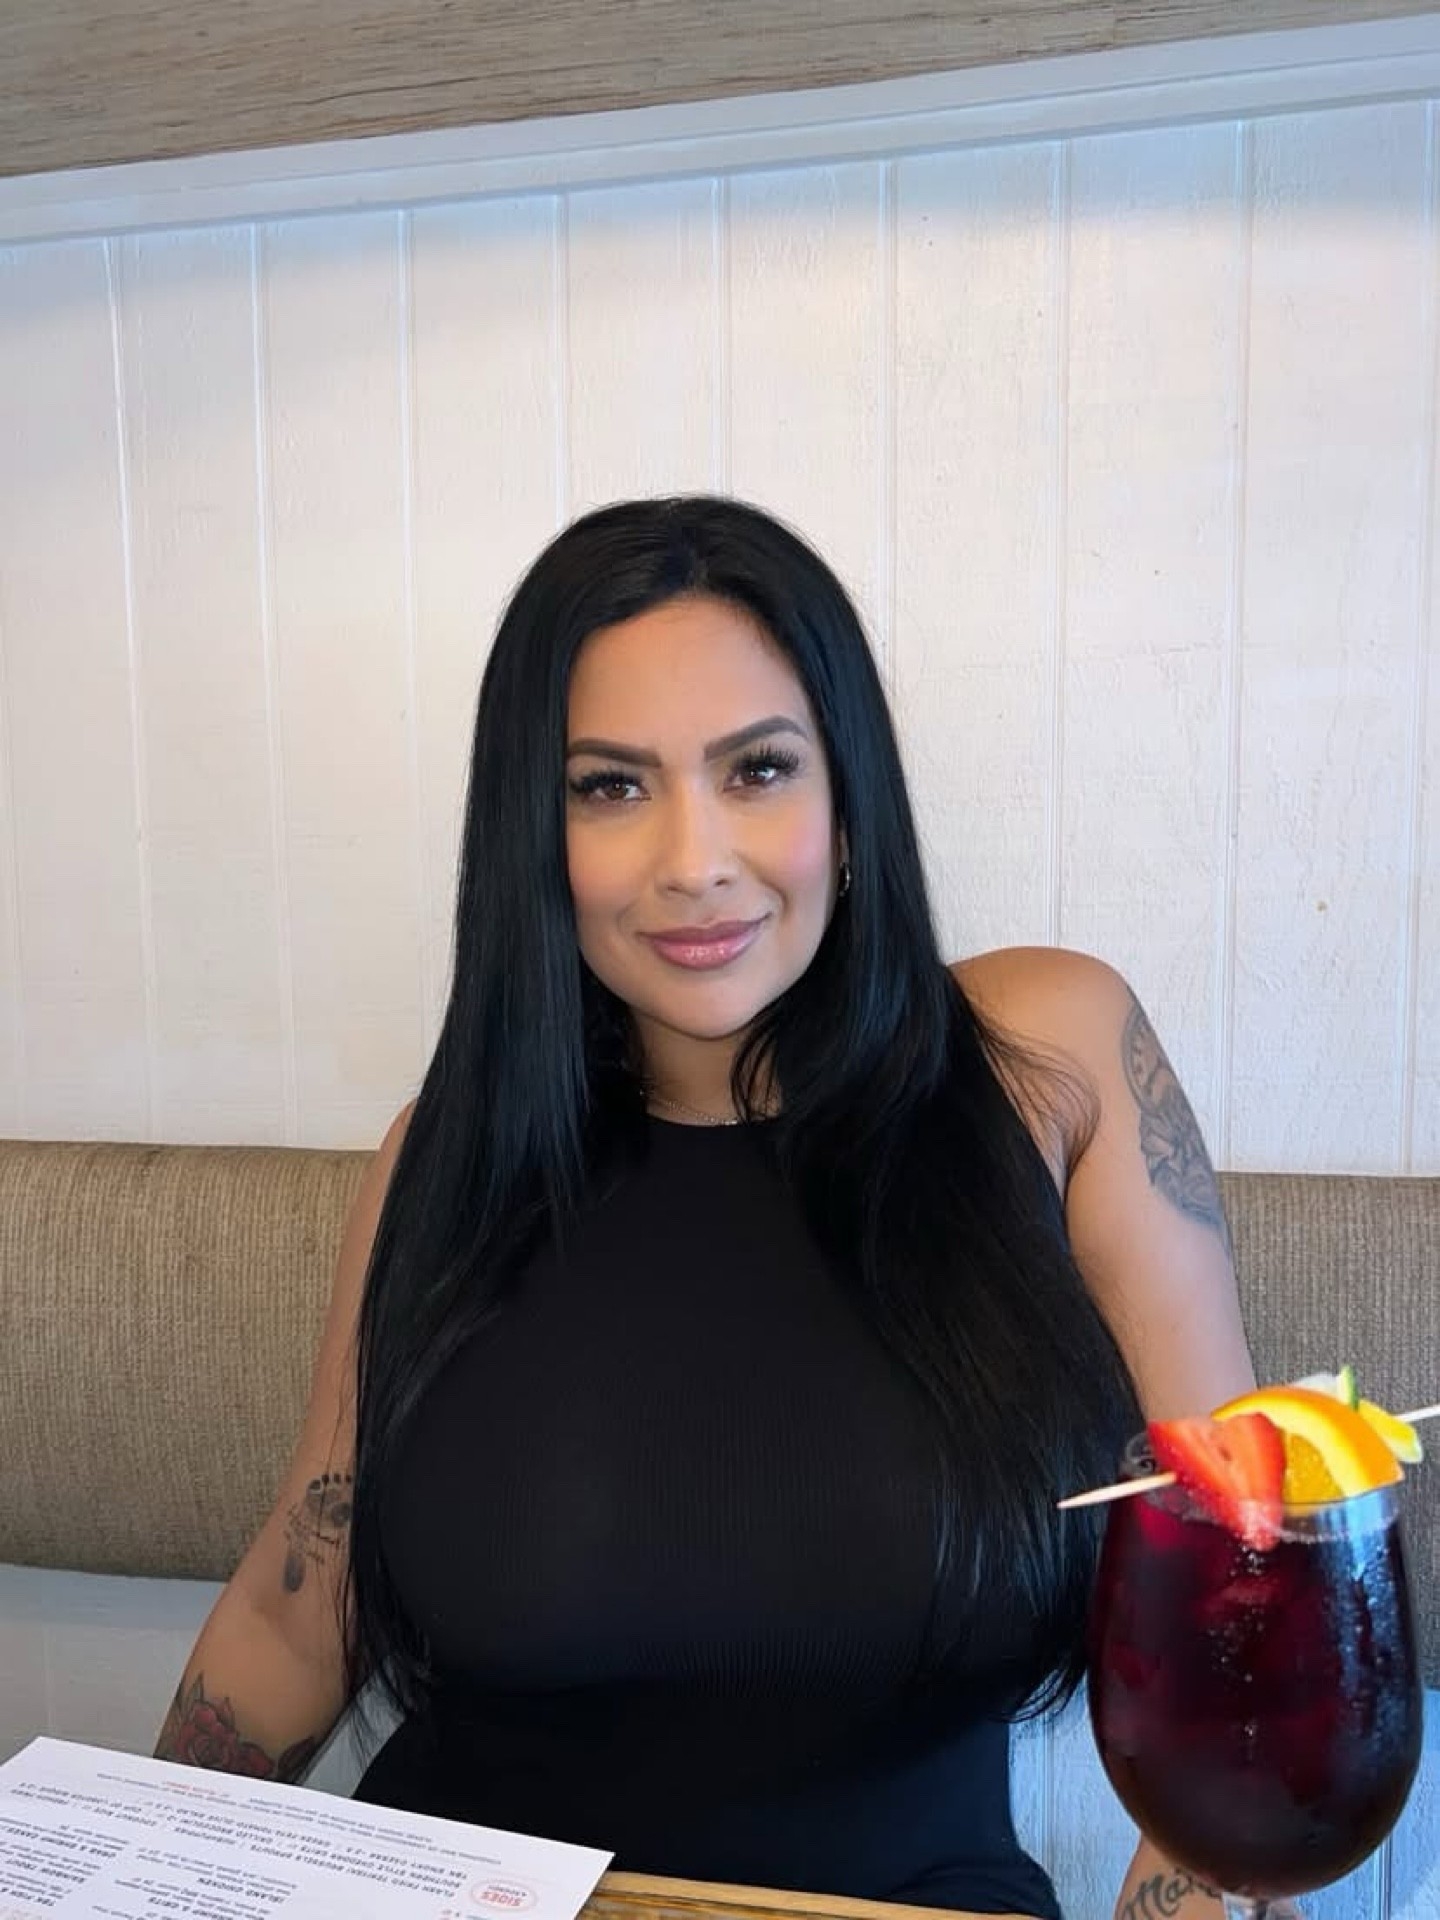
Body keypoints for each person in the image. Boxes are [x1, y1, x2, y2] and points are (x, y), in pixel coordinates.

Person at [156, 496, 1260, 1920]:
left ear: (848, 802)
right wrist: (125, 1865)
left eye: (758, 769)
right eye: (611, 788)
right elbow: (303, 1601)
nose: (693, 860)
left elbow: (1246, 1579)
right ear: (535, 837)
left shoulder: (1052, 1062)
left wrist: (1198, 1889)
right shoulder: (448, 1154)